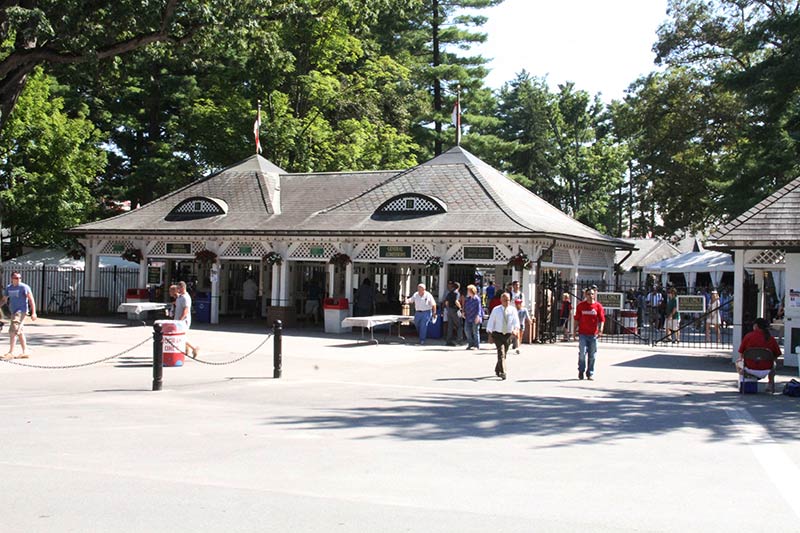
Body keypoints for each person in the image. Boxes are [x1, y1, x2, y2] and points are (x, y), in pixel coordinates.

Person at [737, 317, 781, 393]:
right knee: (773, 364)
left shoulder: (748, 336)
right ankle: (770, 384)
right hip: (767, 369)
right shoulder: (771, 339)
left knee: (738, 362)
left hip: (750, 367)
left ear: (756, 326)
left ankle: (745, 380)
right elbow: (777, 354)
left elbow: (741, 353)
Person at [0, 271, 37, 359]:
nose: (18, 279)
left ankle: (11, 352)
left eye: (20, 278)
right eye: (16, 278)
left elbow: (31, 299)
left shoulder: (24, 287)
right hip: (13, 311)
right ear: (12, 279)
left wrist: (34, 312)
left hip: (21, 311)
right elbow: (4, 300)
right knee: (19, 331)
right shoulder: (9, 288)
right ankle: (25, 351)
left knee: (13, 330)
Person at [486, 293, 520, 380]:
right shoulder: (496, 310)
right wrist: (489, 333)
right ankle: (503, 372)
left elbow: (516, 321)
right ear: (501, 300)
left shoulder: (512, 310)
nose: (507, 302)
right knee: (501, 352)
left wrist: (516, 329)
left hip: (508, 335)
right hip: (498, 334)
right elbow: (491, 321)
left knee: (504, 354)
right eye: (505, 300)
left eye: (508, 300)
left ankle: (497, 369)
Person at [574, 287, 605, 380]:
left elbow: (602, 319)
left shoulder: (598, 306)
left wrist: (601, 330)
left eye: (592, 294)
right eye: (588, 294)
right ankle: (581, 371)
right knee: (582, 353)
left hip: (593, 334)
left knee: (592, 355)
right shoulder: (581, 306)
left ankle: (590, 373)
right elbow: (576, 319)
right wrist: (574, 331)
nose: (590, 296)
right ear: (585, 295)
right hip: (583, 333)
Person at [175, 281, 199, 358]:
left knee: (181, 337)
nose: (177, 290)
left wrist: (180, 319)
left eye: (179, 288)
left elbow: (186, 309)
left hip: (183, 321)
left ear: (183, 288)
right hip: (178, 320)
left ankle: (194, 348)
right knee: (181, 336)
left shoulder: (185, 297)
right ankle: (186, 350)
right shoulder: (180, 297)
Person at [463, 284, 483, 350]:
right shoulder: (467, 299)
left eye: (468, 290)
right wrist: (463, 312)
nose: (467, 292)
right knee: (467, 330)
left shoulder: (477, 299)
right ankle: (470, 343)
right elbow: (465, 306)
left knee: (475, 331)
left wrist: (478, 316)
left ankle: (476, 345)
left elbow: (479, 308)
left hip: (475, 317)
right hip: (468, 316)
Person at [444, 281, 462, 346]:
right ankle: (459, 341)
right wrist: (460, 307)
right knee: (459, 325)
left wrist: (448, 308)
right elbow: (456, 301)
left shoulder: (450, 293)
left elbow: (446, 302)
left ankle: (448, 341)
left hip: (449, 310)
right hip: (455, 310)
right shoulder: (457, 293)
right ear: (458, 287)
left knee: (450, 326)